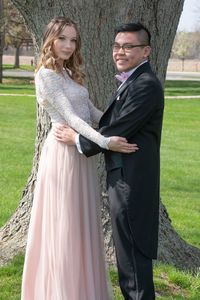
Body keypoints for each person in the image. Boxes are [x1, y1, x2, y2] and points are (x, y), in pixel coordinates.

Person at [21, 17, 138, 300]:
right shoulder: (46, 75)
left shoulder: (69, 74)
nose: (69, 46)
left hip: (80, 154)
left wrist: (124, 122)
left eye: (73, 40)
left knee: (80, 222)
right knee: (64, 225)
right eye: (62, 39)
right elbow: (71, 118)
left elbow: (93, 113)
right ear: (50, 39)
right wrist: (105, 141)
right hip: (63, 154)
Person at [54, 22, 164, 300]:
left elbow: (118, 128)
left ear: (146, 51)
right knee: (129, 261)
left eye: (129, 47)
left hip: (132, 183)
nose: (120, 52)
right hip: (125, 179)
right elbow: (109, 121)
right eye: (117, 46)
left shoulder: (145, 85)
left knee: (134, 266)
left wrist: (77, 141)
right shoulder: (134, 81)